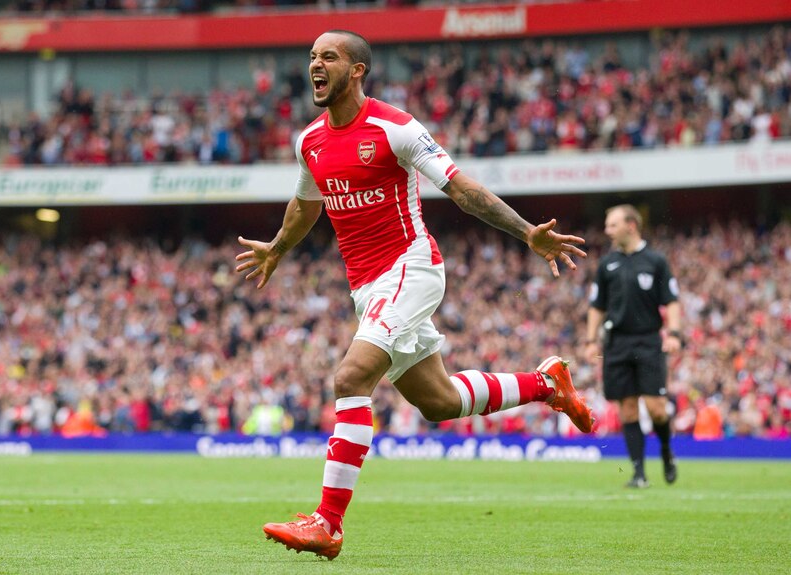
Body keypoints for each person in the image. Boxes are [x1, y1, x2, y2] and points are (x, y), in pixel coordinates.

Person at [235, 30, 593, 561]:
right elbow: (306, 203)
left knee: (351, 377)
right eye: (312, 56)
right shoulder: (308, 140)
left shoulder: (394, 127)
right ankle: (545, 384)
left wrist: (525, 233)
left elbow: (462, 189)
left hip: (411, 266)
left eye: (328, 56)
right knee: (438, 402)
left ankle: (327, 523)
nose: (316, 64)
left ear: (357, 70)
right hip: (367, 287)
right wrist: (277, 249)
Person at [583, 204, 682, 489]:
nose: (607, 230)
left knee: (657, 409)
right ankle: (639, 473)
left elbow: (672, 301)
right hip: (616, 343)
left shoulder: (656, 261)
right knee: (627, 409)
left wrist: (674, 333)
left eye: (612, 225)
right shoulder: (607, 264)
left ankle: (665, 450)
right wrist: (591, 341)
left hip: (648, 340)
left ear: (631, 225)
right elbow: (596, 306)